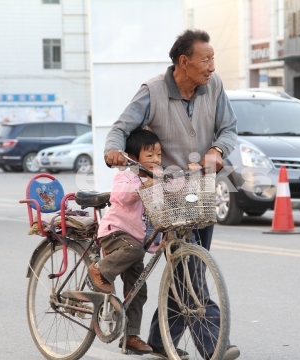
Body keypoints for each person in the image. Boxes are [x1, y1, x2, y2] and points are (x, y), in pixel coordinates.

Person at [104, 29, 239, 360]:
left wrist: (218, 150)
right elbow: (120, 129)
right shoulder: (152, 92)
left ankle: (160, 340)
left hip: (200, 192)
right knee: (191, 269)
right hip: (166, 195)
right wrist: (113, 150)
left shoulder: (215, 86)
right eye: (205, 59)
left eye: (212, 59)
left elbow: (229, 128)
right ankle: (213, 345)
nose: (211, 66)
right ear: (184, 61)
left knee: (186, 268)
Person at [87, 129, 162, 355]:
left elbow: (155, 212)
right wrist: (143, 186)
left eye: (159, 155)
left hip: (134, 244)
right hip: (115, 234)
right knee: (135, 250)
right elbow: (120, 196)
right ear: (133, 158)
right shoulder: (127, 176)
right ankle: (99, 269)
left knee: (138, 289)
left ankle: (131, 336)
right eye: (150, 156)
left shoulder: (154, 179)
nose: (157, 160)